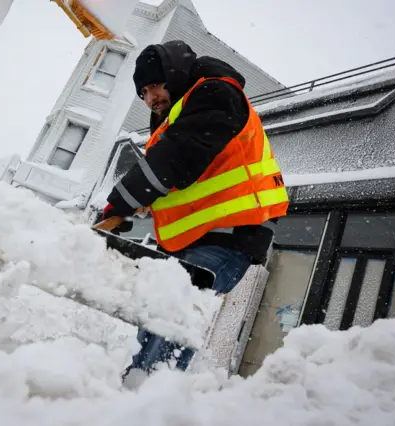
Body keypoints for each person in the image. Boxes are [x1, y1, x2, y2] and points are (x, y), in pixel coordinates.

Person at [101, 40, 289, 376]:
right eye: (143, 92)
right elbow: (178, 175)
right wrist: (136, 208)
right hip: (199, 239)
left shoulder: (216, 93)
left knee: (175, 309)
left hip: (229, 236)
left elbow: (176, 160)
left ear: (174, 74)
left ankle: (150, 398)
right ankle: (135, 394)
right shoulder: (178, 115)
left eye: (156, 84)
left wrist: (119, 204)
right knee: (160, 315)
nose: (150, 97)